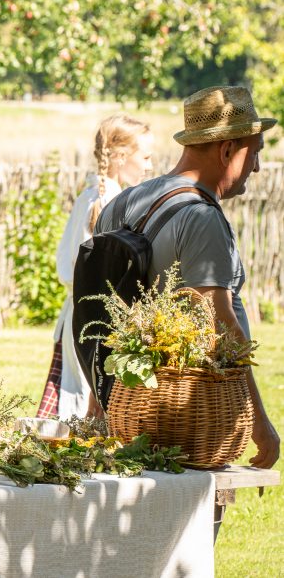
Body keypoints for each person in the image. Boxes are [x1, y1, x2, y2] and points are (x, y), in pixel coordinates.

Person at [94, 86, 279, 469]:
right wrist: (259, 424)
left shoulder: (122, 203)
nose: (257, 166)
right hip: (190, 418)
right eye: (254, 151)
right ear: (227, 150)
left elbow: (103, 308)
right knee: (193, 523)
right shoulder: (202, 217)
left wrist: (100, 405)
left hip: (128, 409)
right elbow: (219, 323)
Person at [37, 115, 154, 419]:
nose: (150, 165)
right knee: (87, 409)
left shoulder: (99, 198)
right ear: (119, 156)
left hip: (90, 317)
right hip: (94, 322)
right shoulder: (105, 203)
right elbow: (84, 273)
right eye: (145, 156)